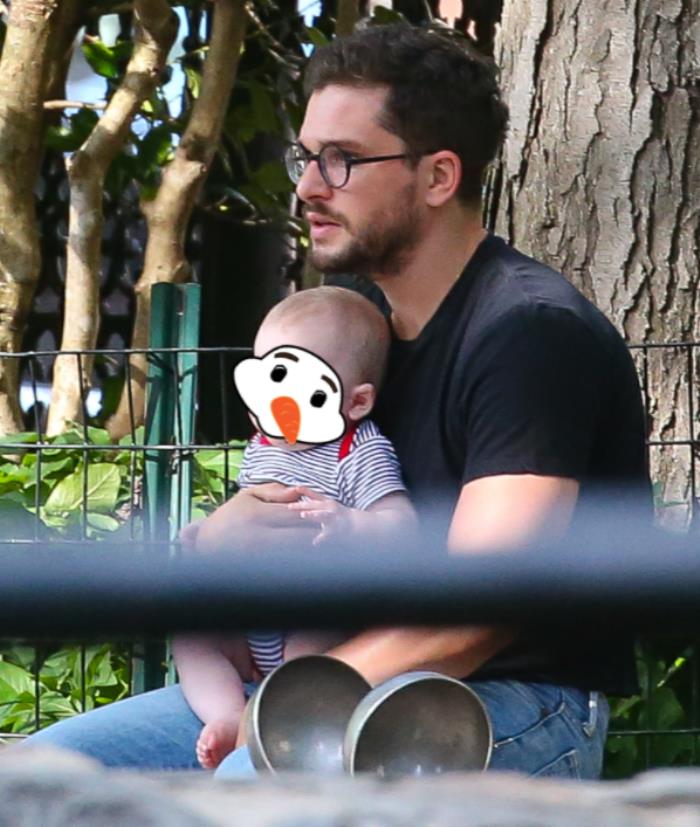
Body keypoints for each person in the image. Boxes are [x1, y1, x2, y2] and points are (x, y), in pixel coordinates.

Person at [22, 22, 649, 779]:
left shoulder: (528, 333)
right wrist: (220, 540)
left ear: (438, 177)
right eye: (307, 156)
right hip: (331, 674)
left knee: (244, 787)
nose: (308, 186)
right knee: (40, 773)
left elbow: (484, 607)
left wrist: (284, 705)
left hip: (506, 702)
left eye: (343, 159)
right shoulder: (356, 331)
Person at [173, 286, 415, 769]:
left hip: (314, 608)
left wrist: (351, 524)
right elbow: (249, 515)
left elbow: (402, 528)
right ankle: (226, 712)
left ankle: (280, 716)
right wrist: (208, 534)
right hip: (250, 611)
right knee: (191, 635)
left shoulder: (358, 452)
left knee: (315, 642)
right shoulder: (262, 446)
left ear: (357, 402)